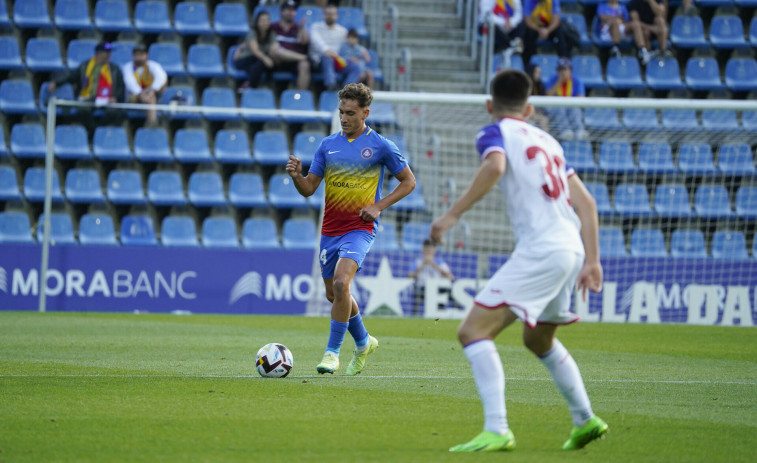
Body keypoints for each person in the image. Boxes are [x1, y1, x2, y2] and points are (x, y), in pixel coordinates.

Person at [429, 69, 606, 452]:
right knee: (538, 338)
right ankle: (585, 418)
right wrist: (593, 260)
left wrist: (451, 215)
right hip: (571, 247)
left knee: (472, 332)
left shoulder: (495, 133)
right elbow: (587, 204)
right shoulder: (550, 141)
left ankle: (497, 428)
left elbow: (494, 167)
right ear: (529, 108)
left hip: (542, 248)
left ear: (489, 105)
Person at [285, 83, 416, 375]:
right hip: (330, 230)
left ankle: (332, 353)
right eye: (341, 112)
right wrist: (297, 176)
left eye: (350, 113)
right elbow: (309, 189)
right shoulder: (327, 145)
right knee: (335, 296)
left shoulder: (381, 145)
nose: (344, 118)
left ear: (365, 113)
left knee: (344, 284)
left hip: (360, 228)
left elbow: (409, 182)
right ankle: (364, 341)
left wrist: (378, 206)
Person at [47, 42, 125, 131]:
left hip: (107, 98)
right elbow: (72, 77)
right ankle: (94, 130)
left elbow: (120, 86)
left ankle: (98, 130)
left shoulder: (114, 69)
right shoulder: (85, 66)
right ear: (99, 53)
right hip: (88, 97)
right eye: (106, 52)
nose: (109, 55)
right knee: (83, 109)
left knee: (113, 112)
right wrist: (57, 83)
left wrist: (116, 98)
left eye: (109, 53)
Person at [233, 11, 308, 89]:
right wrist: (266, 59)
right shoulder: (252, 33)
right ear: (257, 22)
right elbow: (255, 50)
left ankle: (249, 85)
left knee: (266, 64)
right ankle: (251, 86)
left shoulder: (271, 34)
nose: (265, 23)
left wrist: (275, 55)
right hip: (246, 59)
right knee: (261, 63)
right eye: (262, 21)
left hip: (258, 61)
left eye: (267, 20)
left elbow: (275, 46)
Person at [309, 5, 363, 90]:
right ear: (323, 15)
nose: (330, 16)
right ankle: (331, 85)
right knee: (327, 57)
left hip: (338, 60)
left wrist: (354, 56)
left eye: (332, 14)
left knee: (355, 67)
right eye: (328, 14)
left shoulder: (342, 31)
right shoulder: (315, 27)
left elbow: (349, 46)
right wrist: (327, 51)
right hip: (320, 61)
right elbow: (317, 42)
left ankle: (347, 89)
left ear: (336, 16)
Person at [522, 0, 576, 70]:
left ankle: (564, 64)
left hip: (549, 27)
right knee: (527, 33)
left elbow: (556, 20)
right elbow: (527, 20)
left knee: (559, 32)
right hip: (535, 27)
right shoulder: (528, 1)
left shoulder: (553, 1)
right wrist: (539, 29)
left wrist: (547, 30)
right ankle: (529, 66)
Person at [122, 43, 167, 127]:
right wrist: (141, 93)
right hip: (132, 98)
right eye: (136, 55)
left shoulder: (153, 65)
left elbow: (161, 77)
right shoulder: (128, 67)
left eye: (141, 55)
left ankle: (151, 124)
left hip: (149, 94)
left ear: (146, 55)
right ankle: (152, 125)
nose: (139, 57)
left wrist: (150, 90)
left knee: (151, 97)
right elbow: (130, 83)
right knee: (148, 97)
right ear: (133, 56)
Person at [272, 0, 311, 90]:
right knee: (275, 51)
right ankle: (303, 57)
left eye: (293, 10)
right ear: (281, 12)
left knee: (305, 65)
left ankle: (301, 96)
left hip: (294, 62)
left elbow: (305, 42)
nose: (291, 13)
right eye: (288, 10)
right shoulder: (273, 27)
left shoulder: (298, 27)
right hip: (278, 61)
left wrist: (302, 29)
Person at [409, 239, 454, 316]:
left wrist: (433, 265)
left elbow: (451, 277)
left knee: (447, 293)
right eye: (427, 249)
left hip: (438, 288)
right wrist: (423, 265)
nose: (428, 251)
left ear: (435, 250)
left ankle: (454, 312)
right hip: (422, 289)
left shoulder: (440, 262)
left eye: (431, 249)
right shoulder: (417, 262)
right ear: (423, 250)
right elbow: (410, 276)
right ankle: (415, 316)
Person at [545, 58, 586, 140]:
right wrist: (559, 81)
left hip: (571, 108)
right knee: (559, 107)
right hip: (555, 109)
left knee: (574, 108)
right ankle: (565, 132)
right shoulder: (552, 80)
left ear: (570, 70)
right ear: (557, 71)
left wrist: (568, 102)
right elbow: (548, 96)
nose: (563, 72)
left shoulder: (577, 81)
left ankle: (579, 131)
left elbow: (581, 97)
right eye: (560, 69)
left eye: (565, 69)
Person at [628, 0, 670, 65]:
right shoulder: (634, 3)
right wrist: (651, 28)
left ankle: (663, 51)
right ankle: (644, 54)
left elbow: (661, 14)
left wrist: (651, 1)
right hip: (642, 31)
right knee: (644, 31)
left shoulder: (657, 1)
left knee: (660, 20)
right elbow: (635, 21)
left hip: (655, 31)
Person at [526, 64, 550, 132]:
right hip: (526, 113)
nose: (539, 74)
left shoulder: (540, 86)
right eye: (537, 72)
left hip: (537, 114)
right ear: (531, 72)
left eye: (540, 72)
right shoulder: (524, 86)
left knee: (544, 120)